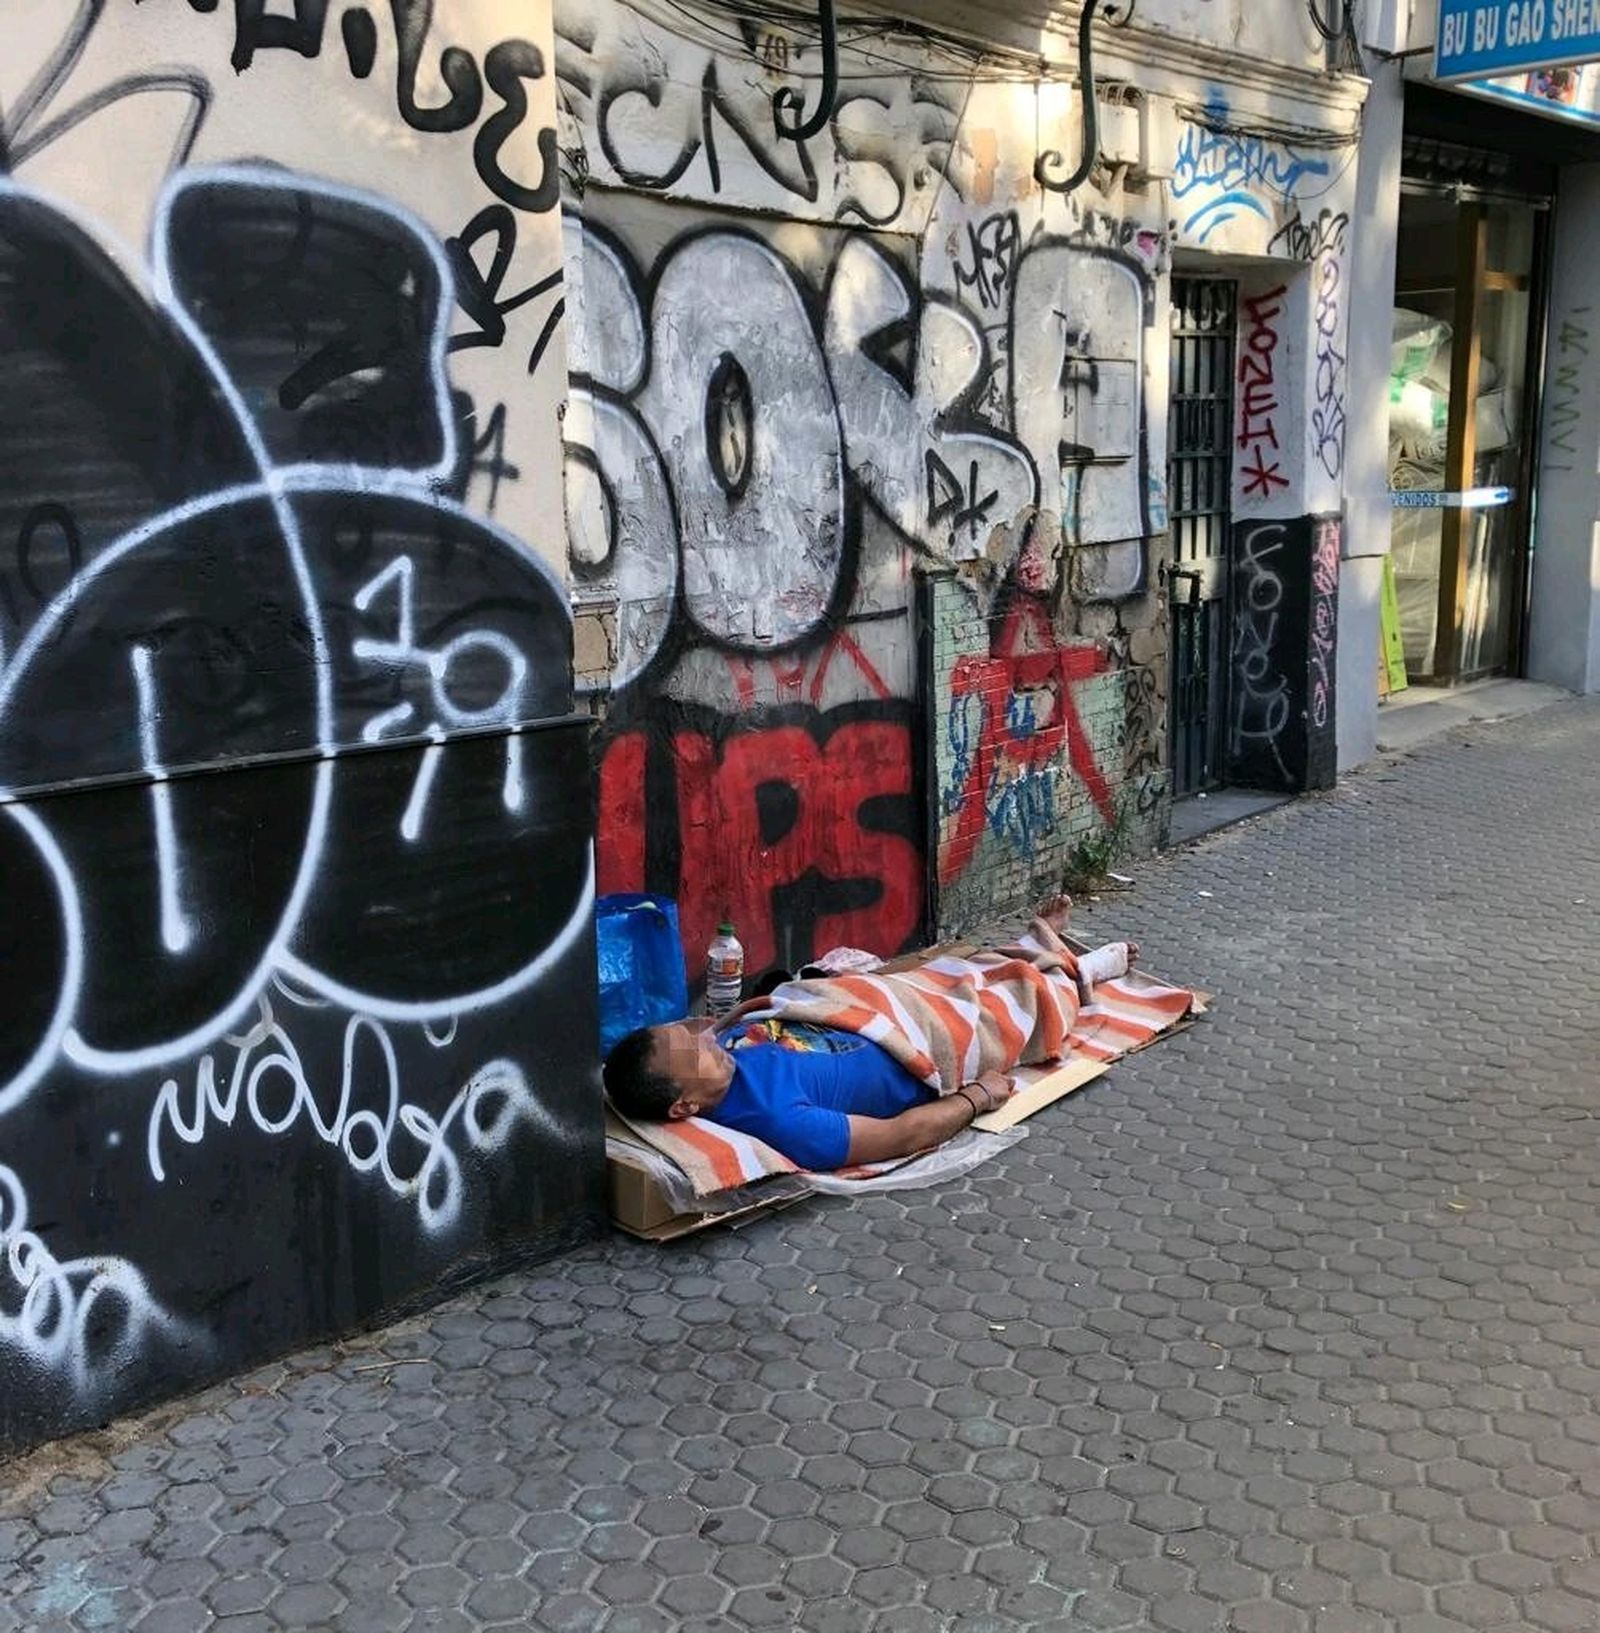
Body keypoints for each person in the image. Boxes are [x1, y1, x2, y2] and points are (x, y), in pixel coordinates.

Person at [603, 895, 1133, 1170]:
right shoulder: (779, 1121)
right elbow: (901, 1136)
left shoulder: (726, 1047)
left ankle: (1033, 949)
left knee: (958, 970)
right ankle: (1075, 970)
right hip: (921, 1047)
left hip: (878, 1010)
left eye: (688, 1034)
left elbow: (763, 1011)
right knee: (1026, 1004)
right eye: (690, 1053)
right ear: (684, 1109)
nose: (703, 1040)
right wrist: (976, 1098)